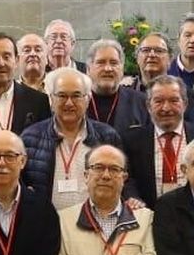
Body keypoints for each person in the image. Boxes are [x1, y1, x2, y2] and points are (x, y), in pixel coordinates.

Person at [21, 67, 123, 210]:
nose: (69, 103)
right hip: (47, 221)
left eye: (76, 96)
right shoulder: (30, 138)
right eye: (62, 96)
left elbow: (122, 180)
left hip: (95, 221)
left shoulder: (107, 137)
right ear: (51, 99)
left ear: (87, 100)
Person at [120, 75, 194, 208]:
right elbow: (127, 179)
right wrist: (134, 199)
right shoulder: (131, 140)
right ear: (148, 106)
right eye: (159, 101)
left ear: (185, 104)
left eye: (174, 101)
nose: (166, 108)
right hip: (149, 213)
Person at [0, 33, 51, 134]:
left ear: (16, 61)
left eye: (6, 57)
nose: (0, 63)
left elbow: (46, 141)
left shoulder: (38, 102)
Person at [85, 38, 151, 131]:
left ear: (122, 69)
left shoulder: (142, 103)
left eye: (114, 63)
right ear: (88, 69)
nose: (108, 69)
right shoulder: (75, 102)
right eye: (101, 62)